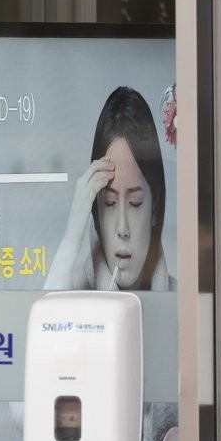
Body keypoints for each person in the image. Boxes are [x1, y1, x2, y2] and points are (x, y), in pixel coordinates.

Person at [45, 86, 175, 291]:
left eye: (135, 203)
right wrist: (72, 237)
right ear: (96, 210)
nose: (122, 229)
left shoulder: (181, 300)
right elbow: (45, 311)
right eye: (109, 203)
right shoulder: (72, 297)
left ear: (155, 207)